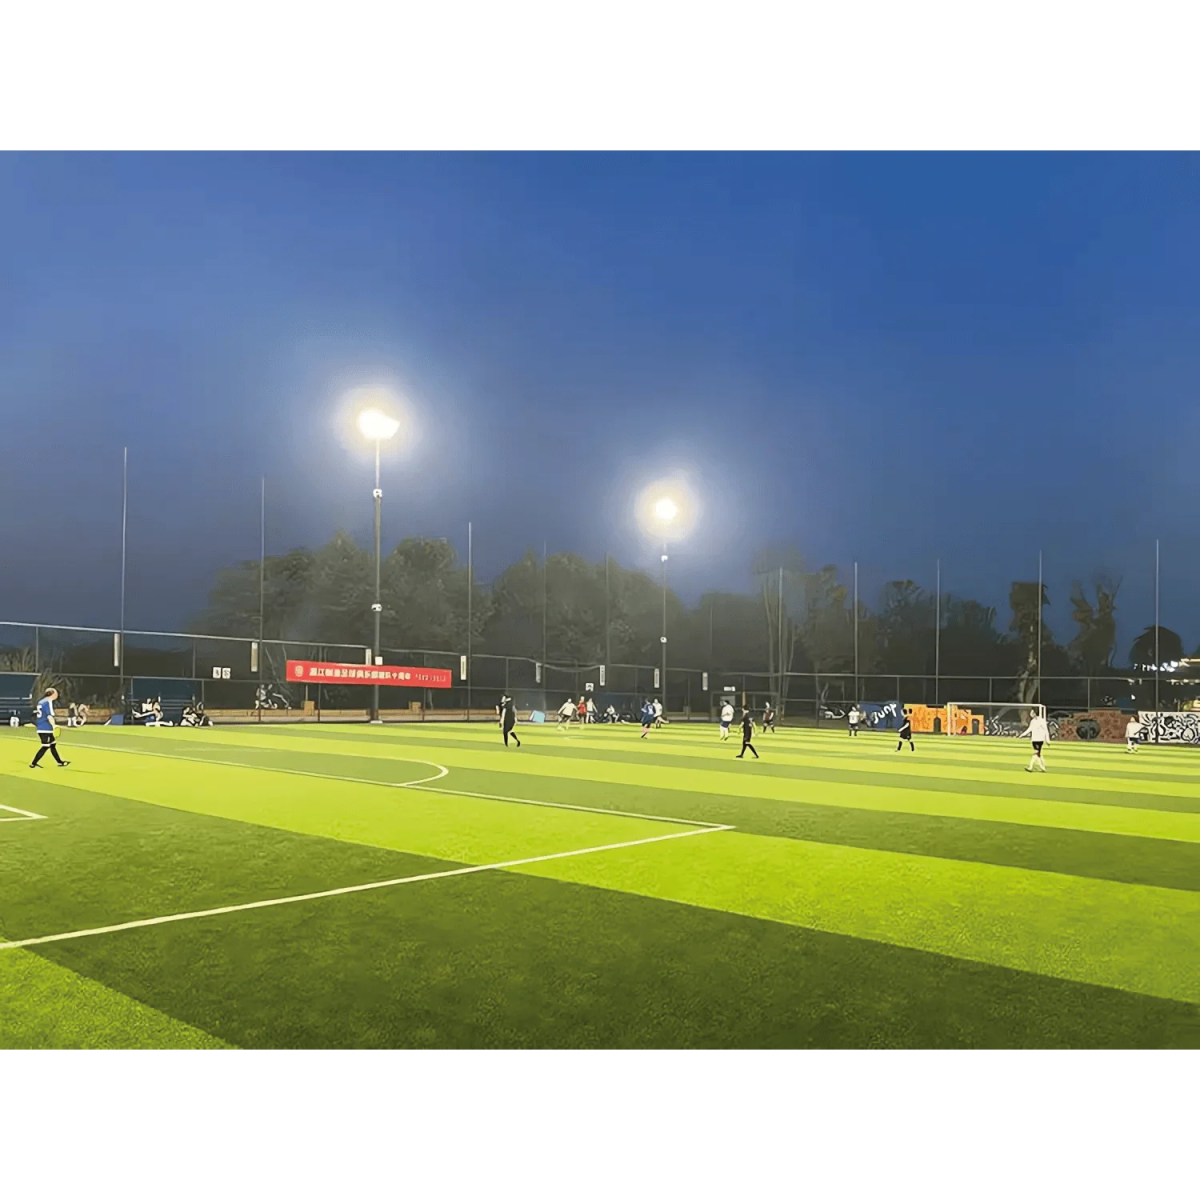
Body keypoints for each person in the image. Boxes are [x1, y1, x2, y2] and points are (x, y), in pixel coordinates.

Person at [29, 687, 69, 769]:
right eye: (56, 693)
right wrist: (54, 726)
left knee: (52, 744)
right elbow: (49, 716)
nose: (57, 694)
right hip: (45, 728)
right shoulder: (48, 702)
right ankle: (33, 763)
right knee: (46, 746)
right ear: (52, 694)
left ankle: (60, 762)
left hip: (41, 726)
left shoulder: (41, 701)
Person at [1021, 708, 1050, 772]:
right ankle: (1043, 768)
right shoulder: (1033, 721)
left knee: (1036, 753)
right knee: (1038, 754)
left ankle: (1030, 767)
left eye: (1032, 712)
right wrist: (1022, 735)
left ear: (1035, 713)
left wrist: (1047, 740)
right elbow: (1029, 729)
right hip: (1034, 740)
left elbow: (1046, 730)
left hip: (1040, 740)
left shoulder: (1042, 721)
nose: (1030, 714)